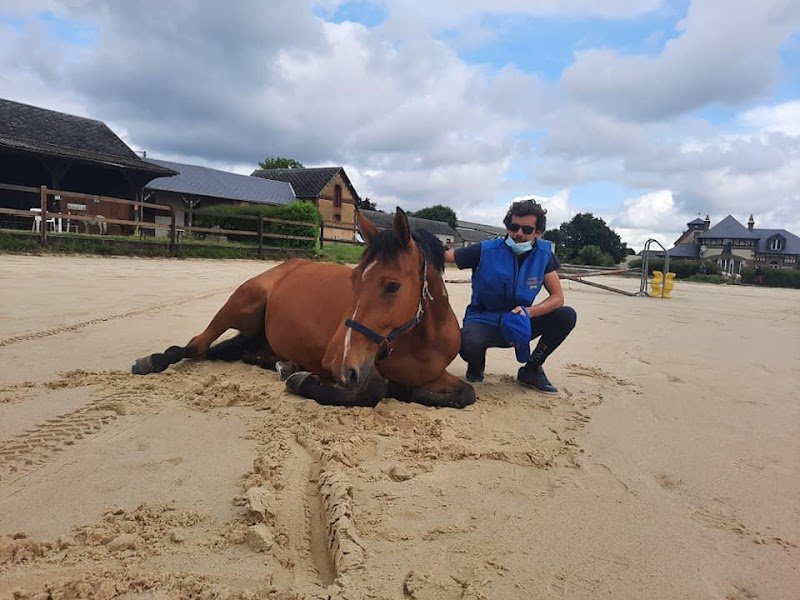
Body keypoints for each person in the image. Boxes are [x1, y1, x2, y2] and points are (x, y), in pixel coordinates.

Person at [444, 199, 577, 393]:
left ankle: (532, 368)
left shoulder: (544, 255)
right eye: (514, 227)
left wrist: (529, 312)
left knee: (566, 315)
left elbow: (557, 297)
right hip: (483, 319)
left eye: (527, 229)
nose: (519, 234)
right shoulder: (485, 250)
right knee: (467, 341)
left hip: (521, 321)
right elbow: (446, 256)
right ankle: (475, 366)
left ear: (538, 233)